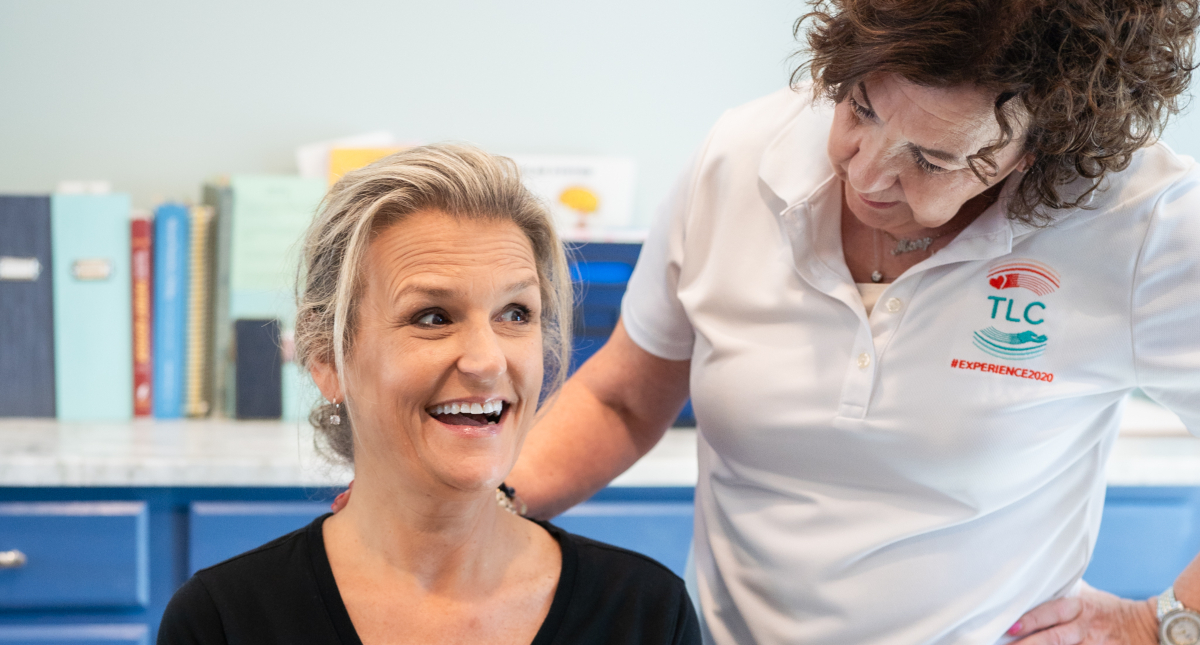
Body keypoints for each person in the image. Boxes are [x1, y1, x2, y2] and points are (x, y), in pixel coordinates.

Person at [499, 2, 1200, 643]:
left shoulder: (1141, 225)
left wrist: (1162, 623)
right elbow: (621, 399)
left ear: (1041, 148)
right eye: (860, 108)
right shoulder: (742, 156)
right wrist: (481, 512)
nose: (865, 176)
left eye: (931, 159)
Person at [157, 144, 701, 645]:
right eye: (433, 317)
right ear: (326, 358)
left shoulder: (646, 614)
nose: (488, 361)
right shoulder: (223, 622)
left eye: (516, 314)